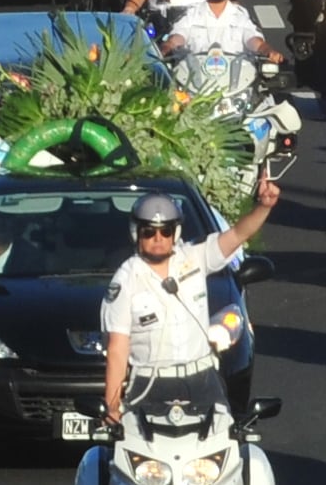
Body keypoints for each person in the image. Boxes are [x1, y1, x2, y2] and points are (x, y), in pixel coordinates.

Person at [95, 175, 287, 428]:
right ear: (136, 233)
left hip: (202, 379)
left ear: (175, 233)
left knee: (226, 445)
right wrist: (112, 407)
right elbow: (118, 349)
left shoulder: (194, 259)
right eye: (149, 231)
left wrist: (264, 206)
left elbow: (238, 234)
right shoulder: (126, 280)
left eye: (165, 231)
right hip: (149, 384)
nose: (158, 238)